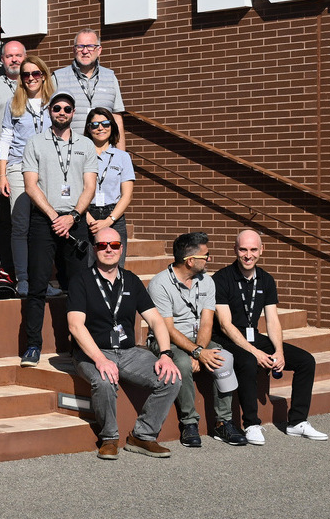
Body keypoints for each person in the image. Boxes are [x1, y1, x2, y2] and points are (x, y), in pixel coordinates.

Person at [66, 227, 180, 459]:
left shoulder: (131, 280)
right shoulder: (81, 280)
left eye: (114, 245)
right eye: (102, 245)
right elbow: (76, 326)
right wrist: (100, 360)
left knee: (171, 378)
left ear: (121, 248)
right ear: (94, 249)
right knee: (104, 381)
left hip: (128, 352)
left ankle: (143, 436)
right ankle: (109, 438)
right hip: (92, 352)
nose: (109, 249)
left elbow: (156, 321)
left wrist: (166, 354)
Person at [213, 229, 328, 445]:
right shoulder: (221, 279)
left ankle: (297, 422)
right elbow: (225, 325)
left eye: (253, 250)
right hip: (227, 339)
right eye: (243, 250)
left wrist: (279, 352)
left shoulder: (266, 279)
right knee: (248, 361)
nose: (248, 255)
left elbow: (272, 320)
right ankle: (251, 424)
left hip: (252, 336)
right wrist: (256, 352)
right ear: (235, 250)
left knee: (305, 361)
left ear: (262, 250)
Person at [20, 91, 96, 366]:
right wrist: (55, 217)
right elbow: (31, 186)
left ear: (73, 113)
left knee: (78, 285)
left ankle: (79, 346)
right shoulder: (35, 143)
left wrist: (72, 216)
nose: (61, 112)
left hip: (76, 221)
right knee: (37, 284)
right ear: (49, 111)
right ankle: (33, 345)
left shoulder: (86, 145)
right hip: (44, 220)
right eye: (56, 108)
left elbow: (89, 186)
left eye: (66, 109)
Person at [149, 232, 238, 450]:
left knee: (225, 359)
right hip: (167, 339)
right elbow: (167, 329)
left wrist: (200, 351)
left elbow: (207, 323)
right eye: (206, 255)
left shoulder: (207, 281)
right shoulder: (160, 284)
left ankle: (223, 422)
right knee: (181, 363)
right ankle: (189, 423)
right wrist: (197, 353)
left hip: (198, 340)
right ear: (190, 261)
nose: (209, 259)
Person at [0, 53, 57, 295]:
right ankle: (23, 279)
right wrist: (2, 174)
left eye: (35, 73)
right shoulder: (14, 103)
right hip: (18, 167)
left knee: (44, 226)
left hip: (48, 169)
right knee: (20, 224)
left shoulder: (55, 102)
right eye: (26, 75)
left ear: (44, 76)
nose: (31, 78)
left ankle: (42, 281)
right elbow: (5, 139)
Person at [54, 28, 127, 148]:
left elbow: (117, 119)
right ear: (74, 50)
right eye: (80, 46)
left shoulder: (110, 77)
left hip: (104, 153)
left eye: (90, 46)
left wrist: (122, 155)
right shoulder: (58, 78)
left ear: (99, 50)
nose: (85, 51)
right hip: (70, 151)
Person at [83, 107, 134, 266]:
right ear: (88, 129)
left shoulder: (123, 157)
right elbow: (77, 190)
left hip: (114, 215)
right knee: (86, 266)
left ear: (112, 127)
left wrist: (109, 220)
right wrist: (89, 219)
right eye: (95, 125)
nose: (100, 128)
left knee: (115, 266)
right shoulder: (81, 155)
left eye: (105, 124)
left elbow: (127, 195)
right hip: (86, 214)